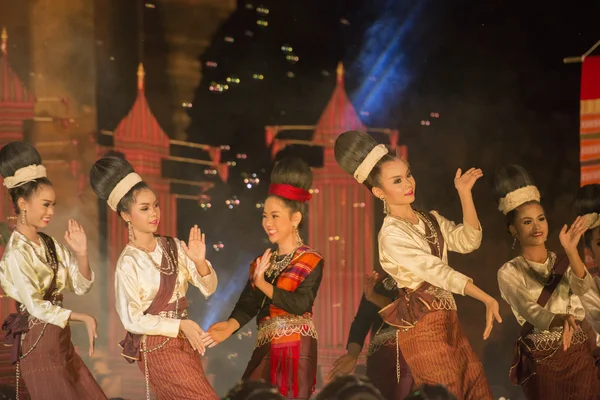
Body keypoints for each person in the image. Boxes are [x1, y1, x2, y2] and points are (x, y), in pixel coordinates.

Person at [334, 131, 499, 400]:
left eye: (408, 175)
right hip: (422, 328)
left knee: (476, 387)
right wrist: (484, 297)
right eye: (397, 181)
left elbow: (469, 240)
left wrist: (464, 193)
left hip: (449, 319)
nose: (408, 183)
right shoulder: (391, 235)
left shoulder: (428, 219)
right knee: (448, 393)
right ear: (378, 191)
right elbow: (436, 271)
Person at [89, 156, 219, 400]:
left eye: (156, 205)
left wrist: (200, 263)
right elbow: (131, 320)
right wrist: (179, 325)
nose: (154, 213)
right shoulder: (128, 262)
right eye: (145, 208)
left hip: (185, 341)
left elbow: (209, 289)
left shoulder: (175, 246)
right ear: (126, 215)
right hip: (157, 346)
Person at [205, 157, 323, 400]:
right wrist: (229, 326)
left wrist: (262, 284)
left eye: (275, 216)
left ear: (295, 219)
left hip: (295, 346)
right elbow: (249, 303)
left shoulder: (311, 260)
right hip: (265, 344)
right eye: (264, 215)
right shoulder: (261, 262)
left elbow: (299, 304)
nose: (267, 223)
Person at [0, 142, 106, 400]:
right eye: (46, 204)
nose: (51, 212)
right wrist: (83, 316)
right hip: (37, 346)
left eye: (53, 205)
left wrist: (81, 254)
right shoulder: (16, 253)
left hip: (60, 342)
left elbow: (80, 286)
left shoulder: (50, 243)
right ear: (23, 204)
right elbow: (35, 307)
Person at [492, 165, 598, 399]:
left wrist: (571, 250)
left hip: (579, 357)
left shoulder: (562, 262)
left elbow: (584, 287)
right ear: (513, 230)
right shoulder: (509, 272)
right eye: (527, 222)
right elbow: (530, 311)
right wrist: (558, 319)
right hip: (542, 361)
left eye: (540, 219)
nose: (537, 226)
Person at [328, 271, 413, 400]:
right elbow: (361, 321)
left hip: (413, 353)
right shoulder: (380, 284)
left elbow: (406, 312)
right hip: (381, 358)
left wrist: (374, 297)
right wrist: (353, 353)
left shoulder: (421, 280)